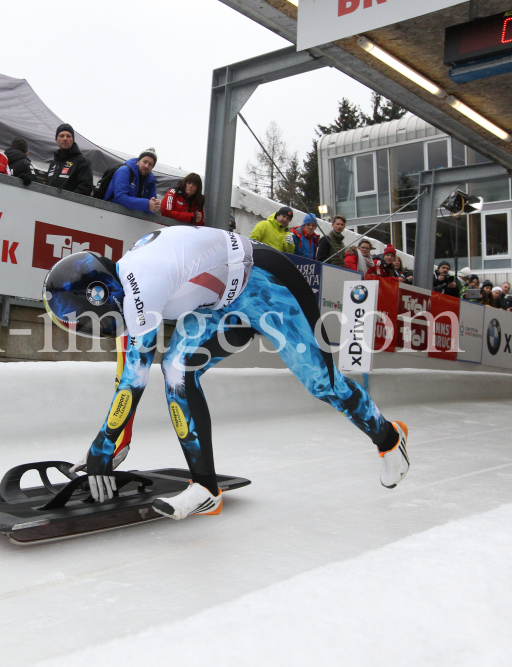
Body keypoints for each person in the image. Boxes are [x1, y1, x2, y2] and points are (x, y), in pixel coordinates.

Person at [42, 227, 410, 518]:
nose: (95, 328)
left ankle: (390, 439)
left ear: (99, 294)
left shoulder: (141, 288)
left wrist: (101, 451)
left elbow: (133, 380)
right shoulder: (128, 282)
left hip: (268, 284)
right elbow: (129, 368)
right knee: (176, 370)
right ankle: (204, 488)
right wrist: (115, 443)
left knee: (323, 384)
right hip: (222, 302)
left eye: (87, 320)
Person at [105, 148, 159, 214]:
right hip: (110, 214)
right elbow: (120, 197)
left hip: (131, 220)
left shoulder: (151, 181)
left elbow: (152, 210)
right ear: (138, 161)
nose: (146, 166)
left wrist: (155, 207)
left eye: (150, 164)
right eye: (144, 162)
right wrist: (147, 204)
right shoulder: (124, 171)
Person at [45, 123, 93, 196]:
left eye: (68, 136)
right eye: (61, 136)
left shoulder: (81, 161)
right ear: (56, 139)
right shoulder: (54, 163)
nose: (65, 139)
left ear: (73, 139)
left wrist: (66, 199)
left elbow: (85, 188)